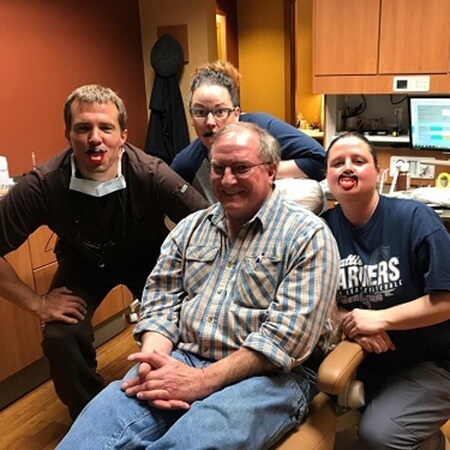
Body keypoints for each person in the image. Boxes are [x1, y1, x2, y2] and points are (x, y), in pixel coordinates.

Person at [56, 122, 340, 449]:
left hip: (269, 379)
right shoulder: (189, 230)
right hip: (184, 358)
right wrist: (155, 360)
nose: (228, 179)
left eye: (241, 168)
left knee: (189, 442)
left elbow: (286, 340)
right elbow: (160, 302)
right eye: (219, 168)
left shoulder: (307, 236)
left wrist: (202, 381)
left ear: (272, 170)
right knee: (91, 430)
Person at [0, 84, 209, 420]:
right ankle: (93, 416)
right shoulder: (45, 185)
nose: (94, 138)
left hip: (149, 261)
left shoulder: (151, 174)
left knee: (183, 322)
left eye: (106, 128)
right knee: (60, 336)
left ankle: (175, 403)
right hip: (83, 262)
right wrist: (36, 304)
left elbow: (209, 224)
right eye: (83, 128)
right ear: (68, 133)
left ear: (123, 135)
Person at [322, 131, 450, 449]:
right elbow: (313, 300)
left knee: (379, 434)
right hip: (366, 360)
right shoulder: (320, 231)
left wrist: (381, 320)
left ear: (378, 173)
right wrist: (350, 321)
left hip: (434, 361)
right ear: (327, 176)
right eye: (337, 163)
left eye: (359, 161)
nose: (347, 168)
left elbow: (447, 300)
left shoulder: (416, 219)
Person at [171, 60, 327, 213]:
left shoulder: (264, 129)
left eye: (220, 111)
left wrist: (261, 171)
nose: (210, 122)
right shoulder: (187, 163)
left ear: (237, 113)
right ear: (191, 118)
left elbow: (321, 161)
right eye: (200, 112)